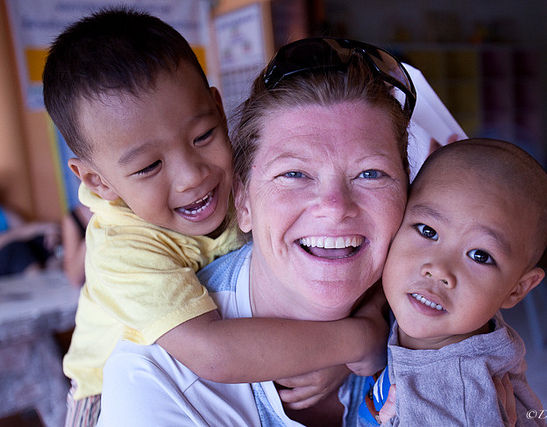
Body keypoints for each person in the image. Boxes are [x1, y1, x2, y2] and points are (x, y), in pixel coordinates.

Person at [43, 12, 391, 427]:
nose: (192, 176)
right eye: (150, 166)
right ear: (98, 181)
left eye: (203, 136)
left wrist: (352, 338)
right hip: (102, 394)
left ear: (218, 107)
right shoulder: (122, 248)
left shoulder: (235, 184)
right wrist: (357, 340)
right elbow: (212, 352)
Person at [358, 138, 547, 426]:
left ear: (517, 288)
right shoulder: (454, 317)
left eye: (479, 255)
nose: (439, 269)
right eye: (428, 231)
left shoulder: (454, 399)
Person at [0, 199, 60, 276]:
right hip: (9, 252)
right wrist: (41, 228)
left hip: (16, 245)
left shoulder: (3, 210)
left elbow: (24, 227)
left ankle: (55, 271)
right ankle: (38, 280)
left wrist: (47, 229)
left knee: (41, 239)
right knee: (17, 248)